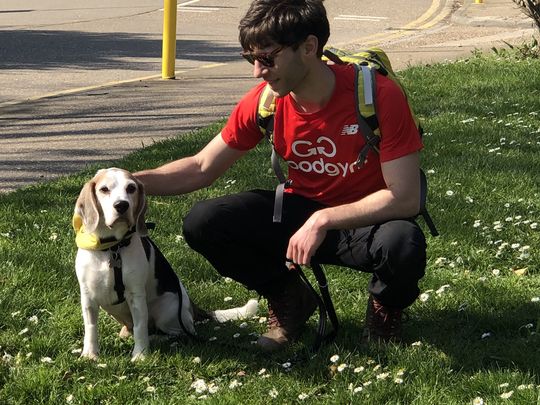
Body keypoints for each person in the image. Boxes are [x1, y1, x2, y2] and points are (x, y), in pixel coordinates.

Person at [135, 0, 426, 352]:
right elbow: (201, 167)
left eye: (267, 59)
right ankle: (290, 299)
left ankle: (384, 313)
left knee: (403, 244)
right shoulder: (267, 101)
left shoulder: (377, 96)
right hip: (300, 212)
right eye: (250, 59)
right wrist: (128, 182)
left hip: (367, 220)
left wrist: (323, 219)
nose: (257, 72)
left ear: (308, 47)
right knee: (206, 221)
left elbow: (405, 197)